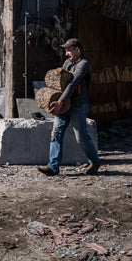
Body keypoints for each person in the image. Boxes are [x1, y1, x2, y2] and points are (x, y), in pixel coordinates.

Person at [38, 38, 101, 176]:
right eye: (66, 50)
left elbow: (72, 84)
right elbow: (61, 83)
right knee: (56, 133)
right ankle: (52, 167)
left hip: (78, 106)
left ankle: (95, 162)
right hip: (65, 106)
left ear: (77, 50)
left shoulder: (83, 65)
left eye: (68, 50)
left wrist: (59, 102)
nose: (66, 53)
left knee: (81, 137)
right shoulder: (67, 63)